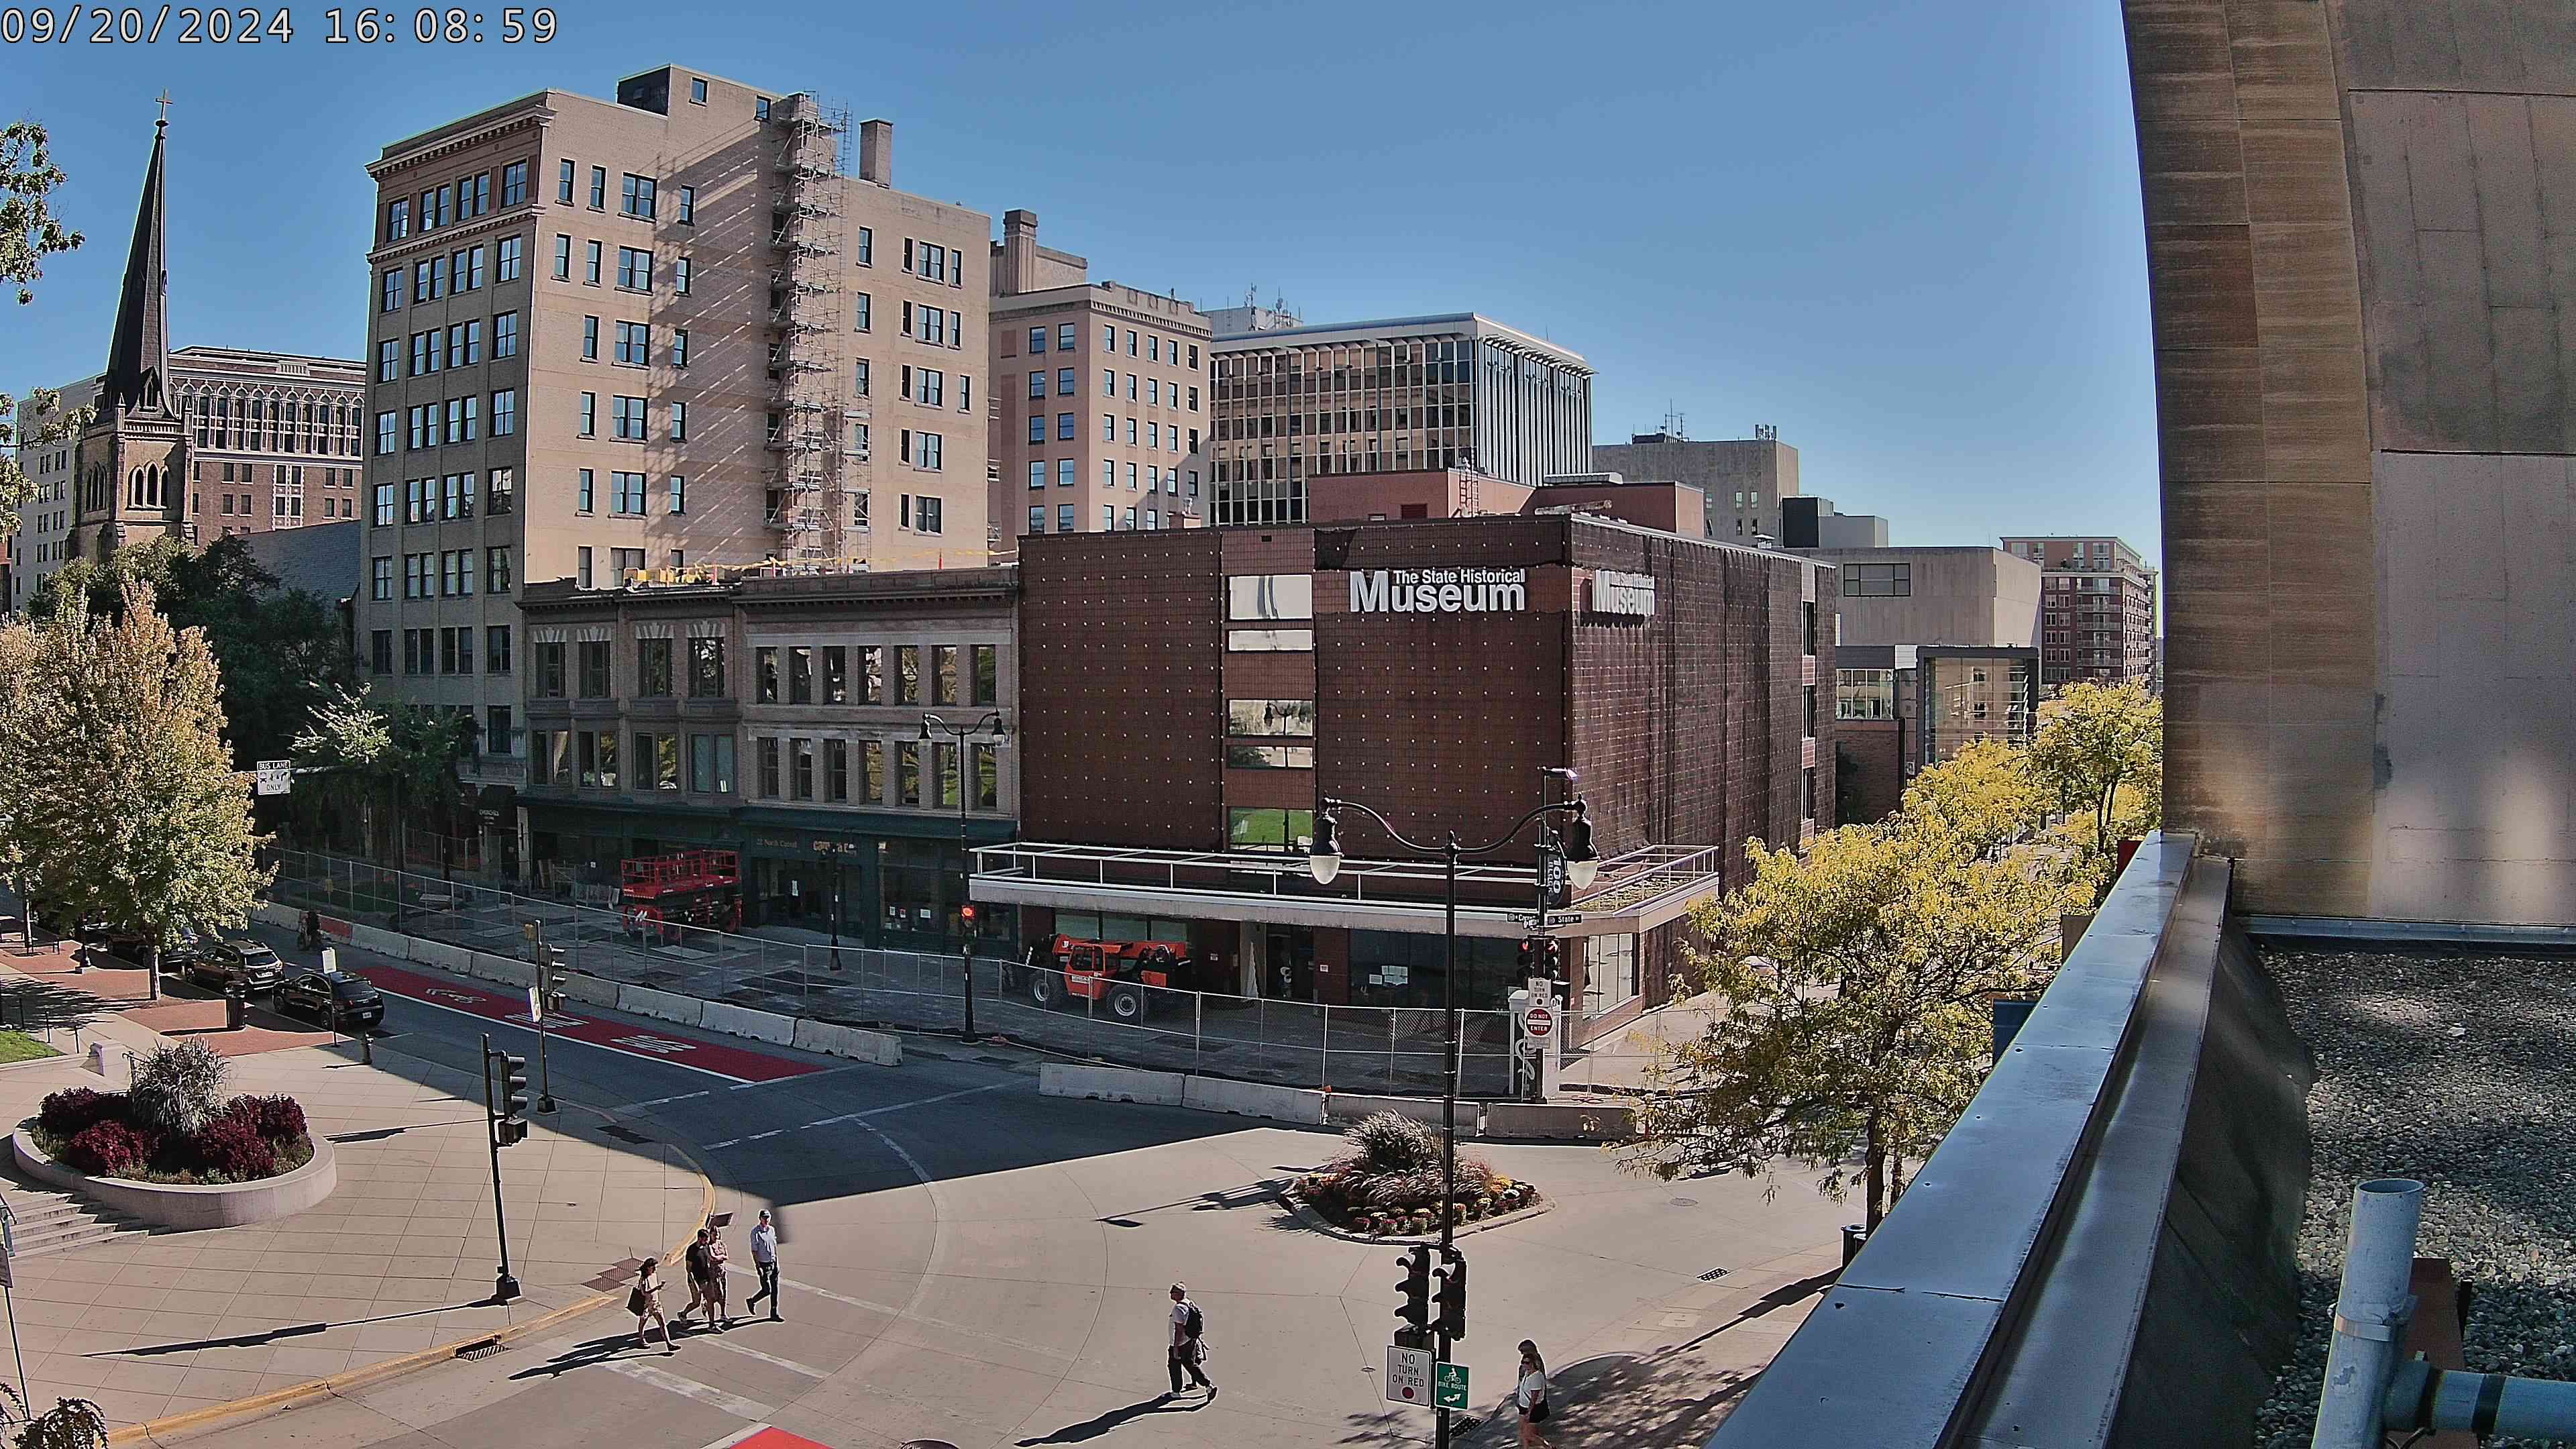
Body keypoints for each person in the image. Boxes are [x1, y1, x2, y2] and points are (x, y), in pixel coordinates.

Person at [1166, 1283, 1213, 1398]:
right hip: (1189, 1340)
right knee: (1190, 1364)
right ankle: (1208, 1386)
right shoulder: (1189, 1303)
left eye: (1173, 1292)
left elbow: (1179, 1329)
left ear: (1179, 1294)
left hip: (1180, 1343)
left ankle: (1176, 1392)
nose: (1170, 1293)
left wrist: (1175, 1347)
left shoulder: (1178, 1309)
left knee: (1174, 1366)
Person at [629, 1259, 676, 1354]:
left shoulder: (654, 1275)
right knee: (643, 1323)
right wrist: (656, 1288)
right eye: (653, 1267)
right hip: (646, 1306)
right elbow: (644, 1292)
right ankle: (641, 1338)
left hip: (655, 1304)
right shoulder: (644, 1279)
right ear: (648, 1268)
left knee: (662, 1324)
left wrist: (657, 1288)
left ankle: (669, 1344)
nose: (655, 1269)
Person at [746, 1210, 782, 1321]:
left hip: (773, 1263)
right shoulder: (755, 1232)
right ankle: (752, 1301)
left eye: (768, 1217)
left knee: (775, 1289)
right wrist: (758, 1267)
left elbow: (774, 1247)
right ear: (760, 1218)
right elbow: (754, 1251)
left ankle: (774, 1313)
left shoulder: (772, 1230)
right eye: (764, 1218)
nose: (766, 1220)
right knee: (767, 1290)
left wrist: (776, 1262)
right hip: (764, 1265)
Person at [1515, 1340, 1552, 1448]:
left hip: (1532, 1405)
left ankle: (1547, 1446)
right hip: (1524, 1403)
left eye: (1523, 1351)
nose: (1522, 1354)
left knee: (1528, 1434)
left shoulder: (1536, 1370)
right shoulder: (1529, 1366)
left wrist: (1529, 1411)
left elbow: (1535, 1393)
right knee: (1523, 1431)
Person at [676, 1228, 714, 1330]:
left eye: (707, 1240)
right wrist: (694, 1284)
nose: (706, 1242)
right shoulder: (691, 1250)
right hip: (695, 1281)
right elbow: (688, 1269)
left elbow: (708, 1261)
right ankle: (683, 1314)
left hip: (706, 1279)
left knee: (710, 1300)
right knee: (696, 1302)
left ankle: (712, 1324)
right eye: (705, 1240)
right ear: (699, 1238)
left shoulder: (706, 1247)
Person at [703, 1224, 732, 1330]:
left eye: (717, 1234)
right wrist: (721, 1257)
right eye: (714, 1234)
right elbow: (712, 1257)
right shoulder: (708, 1246)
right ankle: (706, 1304)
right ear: (710, 1235)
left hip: (722, 1271)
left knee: (724, 1292)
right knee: (717, 1293)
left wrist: (720, 1257)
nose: (716, 1236)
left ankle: (723, 1314)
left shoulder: (721, 1244)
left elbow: (726, 1256)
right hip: (713, 1273)